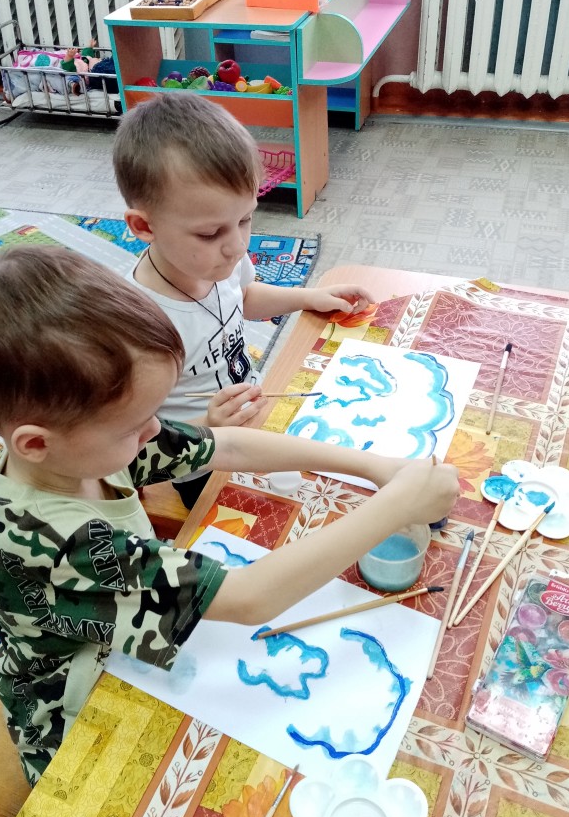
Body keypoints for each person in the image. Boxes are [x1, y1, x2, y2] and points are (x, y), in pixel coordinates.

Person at [0, 245, 459, 785]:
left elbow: (226, 445)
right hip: (71, 716)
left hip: (125, 647)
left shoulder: (81, 448)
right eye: (135, 424)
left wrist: (374, 467)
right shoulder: (63, 540)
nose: (155, 430)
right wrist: (396, 506)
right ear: (36, 443)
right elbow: (250, 598)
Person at [113, 92, 376, 507]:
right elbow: (125, 439)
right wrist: (206, 423)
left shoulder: (220, 261)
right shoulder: (134, 321)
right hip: (199, 457)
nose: (237, 245)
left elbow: (246, 296)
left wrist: (309, 297)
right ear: (144, 226)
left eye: (245, 218)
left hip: (252, 413)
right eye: (210, 233)